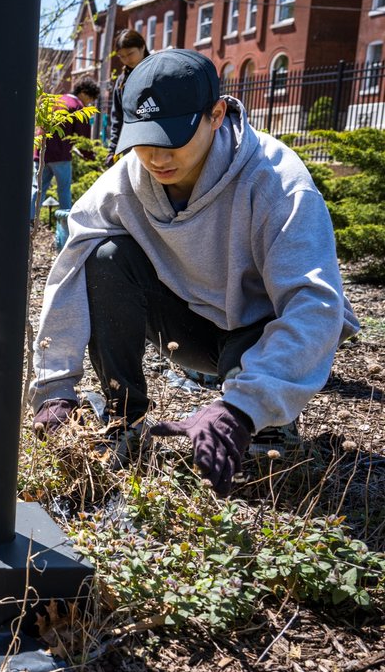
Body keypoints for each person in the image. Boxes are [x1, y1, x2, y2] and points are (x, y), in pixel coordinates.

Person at [29, 50, 359, 496]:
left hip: (255, 329)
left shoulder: (276, 182)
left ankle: (266, 419)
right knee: (103, 255)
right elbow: (69, 271)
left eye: (172, 139)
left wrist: (242, 408)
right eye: (143, 142)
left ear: (216, 114)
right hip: (187, 326)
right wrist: (55, 388)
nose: (155, 158)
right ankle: (126, 416)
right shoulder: (125, 182)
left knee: (259, 462)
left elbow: (315, 304)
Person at [31, 78, 99, 226]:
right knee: (64, 191)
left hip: (40, 153)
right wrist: (90, 158)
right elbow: (82, 138)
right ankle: (66, 225)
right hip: (60, 155)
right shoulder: (77, 107)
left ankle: (29, 222)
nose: (90, 103)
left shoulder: (57, 100)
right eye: (91, 99)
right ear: (84, 93)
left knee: (37, 189)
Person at [107, 29, 150, 164]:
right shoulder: (121, 81)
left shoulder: (157, 72)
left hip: (154, 144)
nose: (126, 60)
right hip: (130, 147)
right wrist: (113, 149)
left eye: (130, 54)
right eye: (121, 56)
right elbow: (117, 118)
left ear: (142, 47)